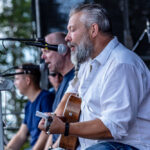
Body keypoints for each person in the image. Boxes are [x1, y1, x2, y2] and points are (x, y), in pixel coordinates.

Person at [39, 3, 150, 150]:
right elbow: (71, 92)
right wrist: (53, 117)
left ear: (93, 30)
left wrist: (65, 128)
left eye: (72, 30)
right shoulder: (87, 62)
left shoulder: (121, 65)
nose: (67, 38)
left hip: (127, 146)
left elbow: (113, 127)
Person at [5, 63, 55, 150]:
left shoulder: (46, 98)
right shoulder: (28, 105)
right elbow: (21, 135)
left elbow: (47, 131)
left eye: (16, 79)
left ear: (28, 80)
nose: (14, 83)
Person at [41, 32, 74, 149]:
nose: (43, 57)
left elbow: (71, 130)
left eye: (46, 51)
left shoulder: (76, 79)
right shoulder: (62, 84)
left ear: (63, 50)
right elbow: (53, 132)